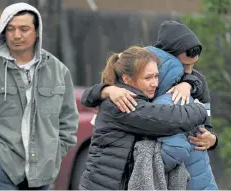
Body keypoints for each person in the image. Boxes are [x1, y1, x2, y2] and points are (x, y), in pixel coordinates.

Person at [0, 2, 79, 190]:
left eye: (24, 29)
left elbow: (68, 120)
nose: (17, 35)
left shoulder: (58, 71)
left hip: (42, 171)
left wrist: (54, 153)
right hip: (1, 167)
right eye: (10, 29)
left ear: (37, 32)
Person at [79, 46, 209, 190]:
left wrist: (188, 83)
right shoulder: (124, 103)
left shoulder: (131, 94)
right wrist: (200, 109)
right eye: (148, 78)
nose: (155, 83)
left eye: (156, 76)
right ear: (127, 79)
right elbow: (168, 119)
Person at [81, 20, 217, 153]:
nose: (189, 71)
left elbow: (207, 121)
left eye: (193, 64)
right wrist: (107, 90)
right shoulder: (139, 70)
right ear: (166, 55)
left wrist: (212, 139)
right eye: (184, 65)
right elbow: (87, 97)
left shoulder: (197, 81)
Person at [127, 45, 218, 190]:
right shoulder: (167, 96)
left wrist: (145, 163)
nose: (188, 70)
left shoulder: (165, 101)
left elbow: (178, 147)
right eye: (185, 65)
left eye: (156, 77)